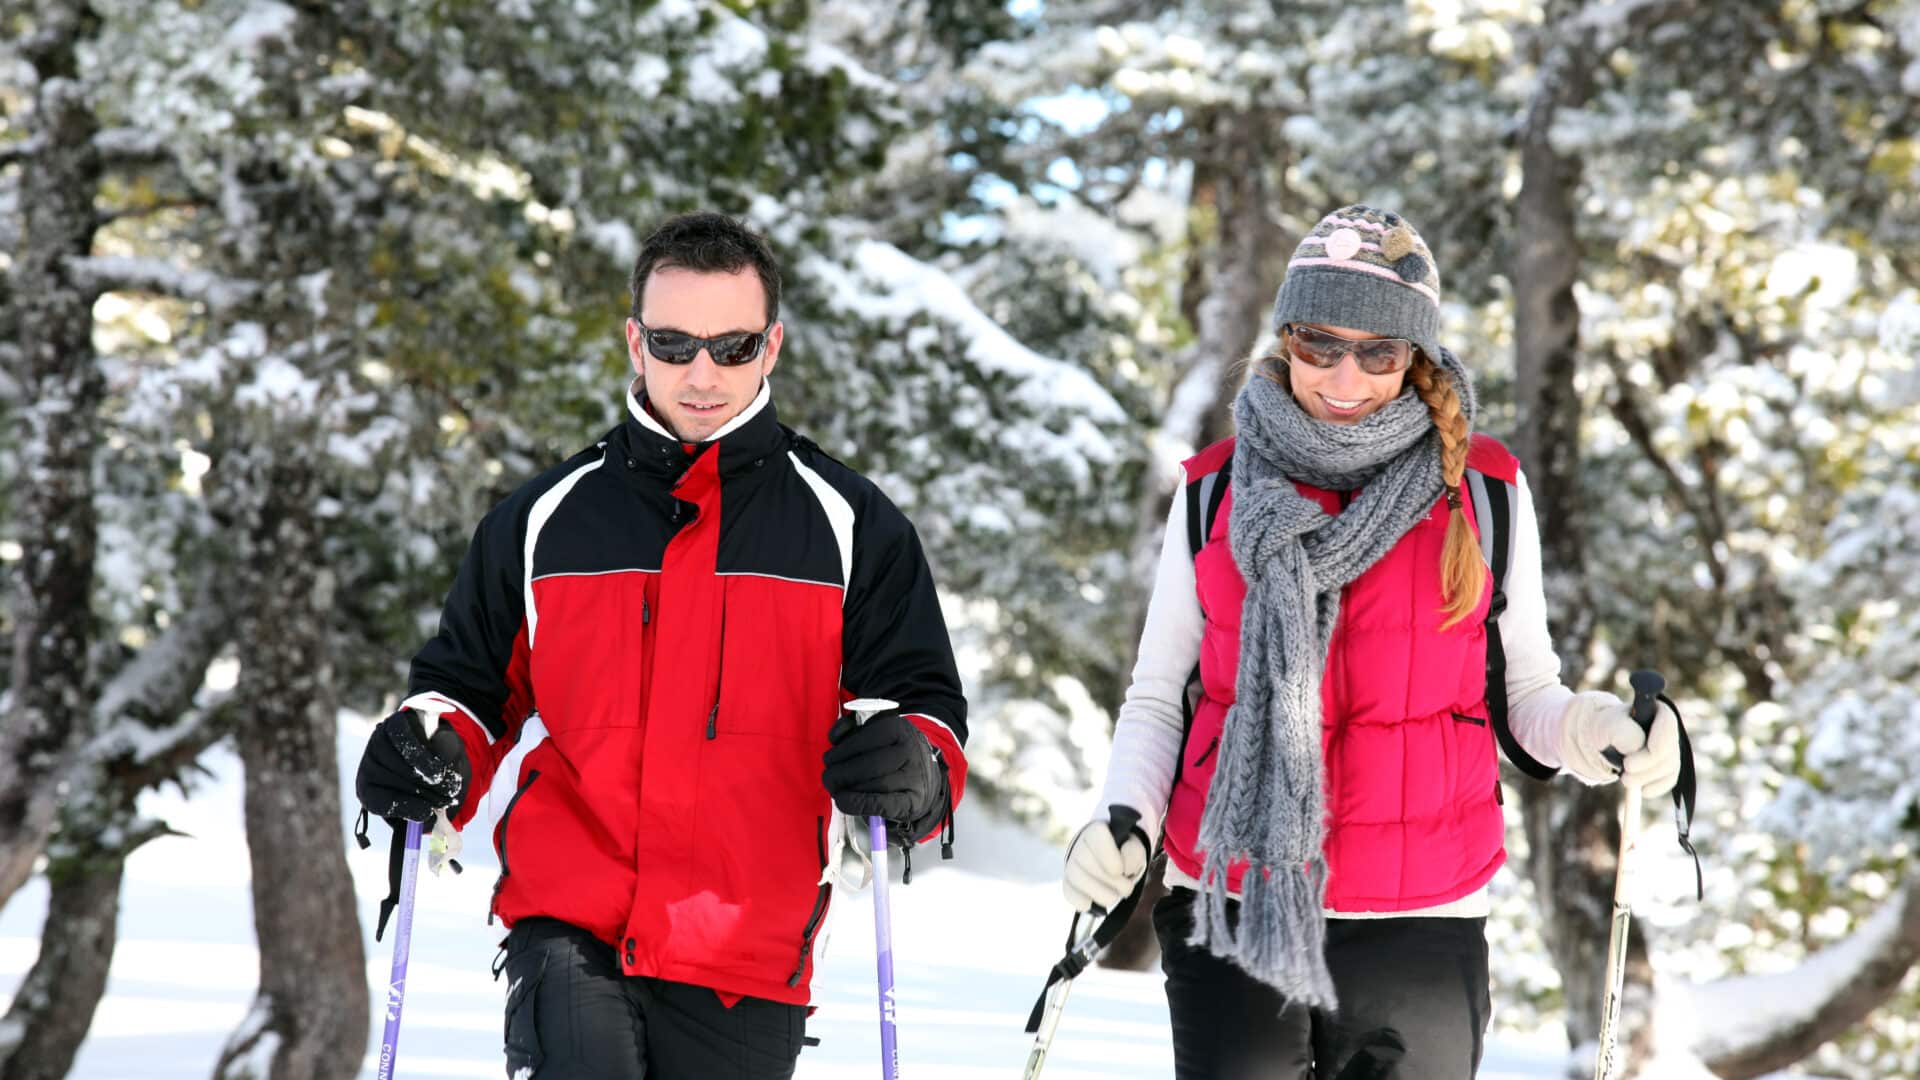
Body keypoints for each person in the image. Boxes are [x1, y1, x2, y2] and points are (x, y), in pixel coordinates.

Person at [1059, 204, 1682, 1079]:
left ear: (1414, 358)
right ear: (1285, 340)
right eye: (1319, 344)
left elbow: (1525, 696)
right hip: (1235, 907)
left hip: (1422, 918)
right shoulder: (1211, 491)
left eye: (1378, 353)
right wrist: (1122, 815)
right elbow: (1163, 696)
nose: (1344, 375)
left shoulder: (1485, 492)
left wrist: (1600, 732)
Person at [353, 211, 967, 1080]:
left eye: (733, 345)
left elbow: (922, 708)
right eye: (676, 344)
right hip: (569, 922)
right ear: (635, 343)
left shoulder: (851, 525)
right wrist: (433, 747)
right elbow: (468, 688)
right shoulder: (543, 520)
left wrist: (914, 771)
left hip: (747, 944)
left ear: (774, 345)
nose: (703, 373)